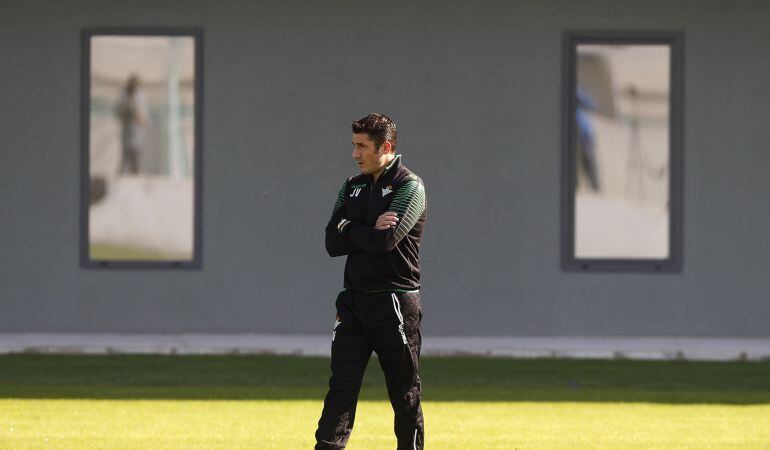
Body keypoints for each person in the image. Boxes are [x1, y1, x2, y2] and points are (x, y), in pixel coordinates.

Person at [315, 113, 427, 450]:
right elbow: (331, 243)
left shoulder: (410, 186)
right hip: (353, 302)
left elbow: (385, 243)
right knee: (341, 386)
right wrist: (362, 228)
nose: (355, 153)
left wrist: (349, 227)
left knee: (404, 390)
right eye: (354, 145)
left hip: (394, 302)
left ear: (386, 146)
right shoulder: (352, 185)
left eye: (362, 146)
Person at [114, 74, 148, 175]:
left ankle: (136, 174)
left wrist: (141, 119)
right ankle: (123, 175)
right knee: (126, 155)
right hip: (127, 130)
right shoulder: (123, 95)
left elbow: (142, 115)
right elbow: (121, 112)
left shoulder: (140, 95)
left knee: (136, 156)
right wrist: (132, 114)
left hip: (137, 131)